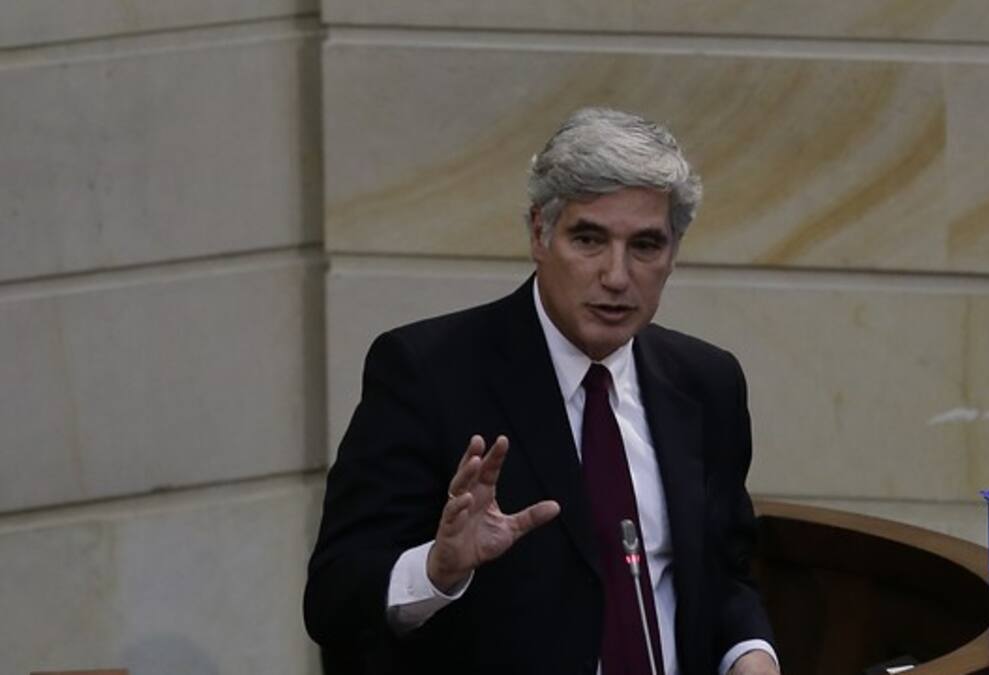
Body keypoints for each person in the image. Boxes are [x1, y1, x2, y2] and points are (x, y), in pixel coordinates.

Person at [304, 108, 779, 675]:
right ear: (539, 233)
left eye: (645, 246)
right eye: (589, 239)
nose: (617, 276)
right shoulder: (426, 373)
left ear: (673, 252)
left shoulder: (707, 382)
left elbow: (723, 576)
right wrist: (438, 570)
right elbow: (333, 598)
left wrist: (751, 655)